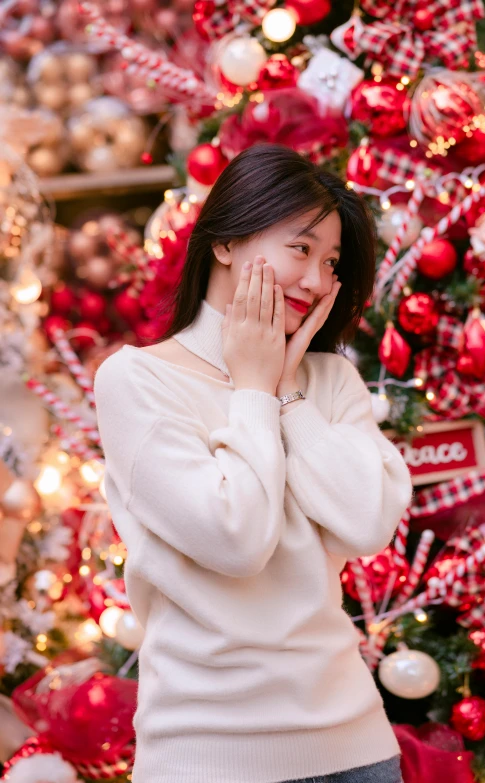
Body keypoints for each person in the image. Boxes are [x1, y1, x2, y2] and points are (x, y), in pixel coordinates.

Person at [93, 143, 413, 783]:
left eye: (331, 263)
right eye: (301, 249)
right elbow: (236, 538)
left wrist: (286, 390)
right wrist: (252, 388)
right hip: (208, 755)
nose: (319, 281)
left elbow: (368, 524)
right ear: (225, 242)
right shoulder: (137, 380)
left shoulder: (328, 380)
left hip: (356, 749)